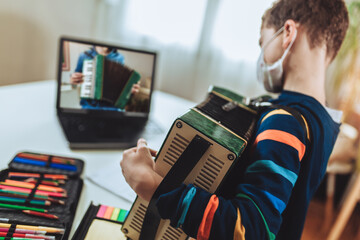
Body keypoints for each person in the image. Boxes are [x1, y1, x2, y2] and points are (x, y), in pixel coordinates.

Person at [120, 0, 349, 239]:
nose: (261, 56)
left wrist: (152, 187)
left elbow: (250, 230)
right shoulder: (324, 121)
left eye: (263, 43)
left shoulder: (284, 123)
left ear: (288, 33)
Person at [70, 46, 140, 110]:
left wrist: (130, 90)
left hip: (113, 109)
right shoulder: (84, 56)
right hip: (90, 108)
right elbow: (74, 86)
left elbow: (121, 84)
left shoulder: (119, 57)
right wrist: (72, 82)